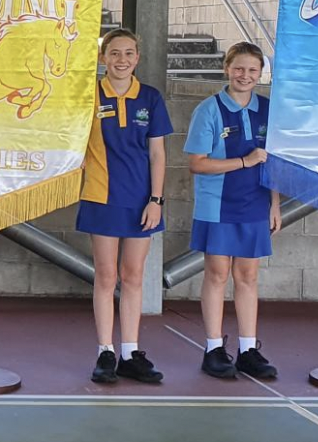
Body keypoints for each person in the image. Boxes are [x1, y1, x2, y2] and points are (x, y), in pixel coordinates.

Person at [77, 29, 172, 384]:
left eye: (129, 53)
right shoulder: (88, 95)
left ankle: (130, 352)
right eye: (114, 53)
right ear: (103, 58)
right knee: (106, 276)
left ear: (138, 58)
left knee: (133, 276)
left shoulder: (150, 98)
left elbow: (158, 154)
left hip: (141, 201)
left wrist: (156, 200)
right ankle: (105, 351)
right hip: (101, 197)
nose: (122, 60)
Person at [184, 42, 280, 381]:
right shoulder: (208, 110)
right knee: (217, 274)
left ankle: (248, 349)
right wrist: (243, 161)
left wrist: (274, 204)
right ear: (227, 68)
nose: (245, 75)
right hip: (217, 204)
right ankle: (213, 348)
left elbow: (273, 164)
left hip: (255, 203)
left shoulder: (268, 110)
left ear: (261, 74)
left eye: (252, 70)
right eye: (239, 68)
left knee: (248, 276)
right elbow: (197, 163)